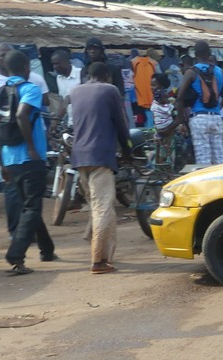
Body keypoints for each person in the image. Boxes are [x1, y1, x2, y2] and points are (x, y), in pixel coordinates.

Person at [0, 50, 55, 275]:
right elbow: (21, 115)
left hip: (8, 161)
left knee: (30, 204)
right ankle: (15, 255)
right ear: (27, 67)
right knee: (31, 207)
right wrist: (31, 147)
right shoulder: (30, 89)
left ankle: (47, 250)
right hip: (31, 158)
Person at [68, 61, 131, 274]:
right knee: (103, 207)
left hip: (79, 158)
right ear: (107, 75)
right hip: (101, 156)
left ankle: (94, 241)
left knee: (96, 205)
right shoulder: (110, 90)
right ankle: (99, 260)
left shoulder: (75, 91)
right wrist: (128, 151)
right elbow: (121, 125)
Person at [176, 41, 223, 165]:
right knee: (220, 158)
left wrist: (181, 122)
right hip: (217, 117)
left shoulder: (191, 72)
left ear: (195, 54)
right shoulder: (221, 72)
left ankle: (207, 184)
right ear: (210, 53)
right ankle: (222, 183)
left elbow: (179, 97)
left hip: (199, 118)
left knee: (203, 160)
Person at [130, 47, 157, 123]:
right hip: (150, 96)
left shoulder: (133, 62)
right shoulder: (153, 63)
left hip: (139, 97)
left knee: (140, 121)